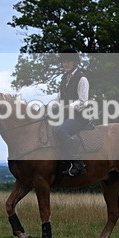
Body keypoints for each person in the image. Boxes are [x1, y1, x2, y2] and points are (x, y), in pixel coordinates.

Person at [52, 48, 89, 176]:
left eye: (68, 61)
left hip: (80, 116)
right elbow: (59, 98)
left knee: (61, 131)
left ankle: (78, 163)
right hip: (66, 116)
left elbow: (83, 101)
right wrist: (50, 106)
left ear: (74, 62)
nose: (65, 64)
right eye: (63, 61)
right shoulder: (64, 78)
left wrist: (67, 107)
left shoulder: (82, 79)